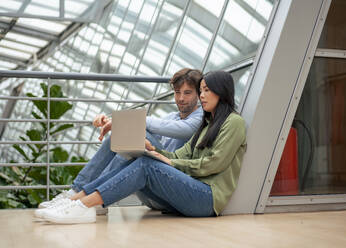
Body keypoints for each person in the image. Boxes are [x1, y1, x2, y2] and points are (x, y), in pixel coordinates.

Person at [37, 70, 247, 224]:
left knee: (146, 165)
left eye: (206, 91)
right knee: (143, 157)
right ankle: (77, 200)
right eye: (201, 91)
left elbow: (214, 164)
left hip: (207, 198)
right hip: (188, 191)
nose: (202, 96)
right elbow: (177, 154)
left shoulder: (233, 122)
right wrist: (154, 150)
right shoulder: (207, 124)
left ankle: (83, 205)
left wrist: (170, 162)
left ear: (221, 92)